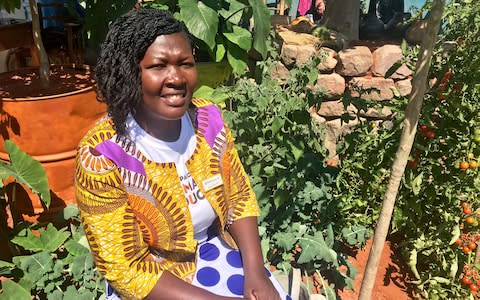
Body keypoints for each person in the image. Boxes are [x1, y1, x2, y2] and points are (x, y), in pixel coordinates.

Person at [74, 8, 291, 300]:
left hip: (216, 250)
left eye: (185, 63)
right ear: (130, 72)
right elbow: (125, 269)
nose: (176, 77)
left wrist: (256, 272)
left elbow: (238, 198)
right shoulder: (102, 156)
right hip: (153, 282)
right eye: (158, 66)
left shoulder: (208, 121)